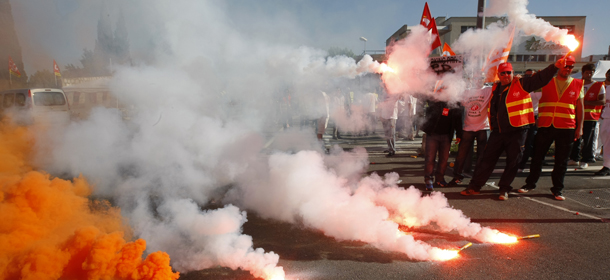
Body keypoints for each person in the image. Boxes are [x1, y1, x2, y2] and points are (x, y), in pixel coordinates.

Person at [460, 60, 561, 200]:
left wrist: (554, 66)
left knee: (513, 161)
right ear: (498, 75)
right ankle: (475, 186)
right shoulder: (495, 88)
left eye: (509, 72)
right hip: (498, 131)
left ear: (513, 73)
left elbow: (540, 79)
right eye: (503, 73)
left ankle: (504, 189)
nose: (506, 75)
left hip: (518, 131)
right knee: (486, 159)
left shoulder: (522, 84)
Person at [518, 56, 584, 200]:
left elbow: (580, 108)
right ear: (559, 66)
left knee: (562, 161)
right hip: (545, 125)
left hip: (567, 127)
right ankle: (529, 184)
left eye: (571, 67)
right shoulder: (546, 81)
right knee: (537, 157)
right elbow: (530, 86)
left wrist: (580, 128)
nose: (568, 69)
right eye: (565, 66)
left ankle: (557, 189)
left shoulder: (578, 83)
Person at [448, 85, 492, 187]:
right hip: (468, 128)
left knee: (482, 157)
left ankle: (478, 179)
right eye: (475, 76)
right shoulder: (466, 91)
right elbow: (457, 101)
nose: (478, 79)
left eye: (480, 76)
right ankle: (457, 177)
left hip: (483, 128)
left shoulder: (488, 89)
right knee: (461, 155)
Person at [568, 64, 606, 169]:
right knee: (575, 138)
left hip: (590, 117)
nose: (589, 75)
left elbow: (602, 101)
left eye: (591, 73)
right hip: (575, 115)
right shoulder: (576, 83)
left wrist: (585, 102)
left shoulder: (599, 85)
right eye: (587, 73)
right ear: (583, 73)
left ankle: (585, 160)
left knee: (588, 139)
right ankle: (574, 158)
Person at [421, 98, 462, 190]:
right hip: (433, 134)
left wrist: (459, 134)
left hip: (447, 135)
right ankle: (428, 179)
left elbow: (458, 118)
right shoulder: (434, 98)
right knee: (430, 158)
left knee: (444, 159)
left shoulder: (455, 100)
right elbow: (426, 99)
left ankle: (440, 179)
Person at [518, 69, 543, 171]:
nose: (529, 77)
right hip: (522, 117)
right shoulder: (522, 86)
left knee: (530, 142)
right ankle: (521, 162)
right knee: (523, 142)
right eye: (527, 75)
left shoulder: (538, 88)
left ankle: (522, 164)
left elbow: (543, 102)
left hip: (534, 117)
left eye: (531, 75)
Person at [594, 69, 610, 176]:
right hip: (606, 116)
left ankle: (607, 165)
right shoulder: (605, 87)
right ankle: (607, 165)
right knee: (605, 140)